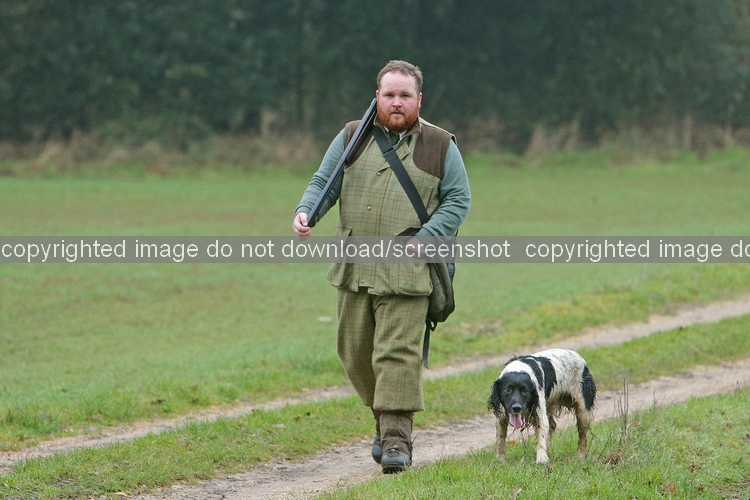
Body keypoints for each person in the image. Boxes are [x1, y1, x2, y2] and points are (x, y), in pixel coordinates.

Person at [293, 60, 471, 473]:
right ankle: (384, 420)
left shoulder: (441, 145)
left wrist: (425, 240)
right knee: (355, 354)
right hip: (354, 267)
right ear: (377, 97)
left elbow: (458, 200)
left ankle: (396, 441)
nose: (396, 102)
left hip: (408, 272)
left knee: (397, 356)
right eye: (389, 95)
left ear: (419, 100)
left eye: (404, 96)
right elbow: (324, 182)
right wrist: (306, 211)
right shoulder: (352, 136)